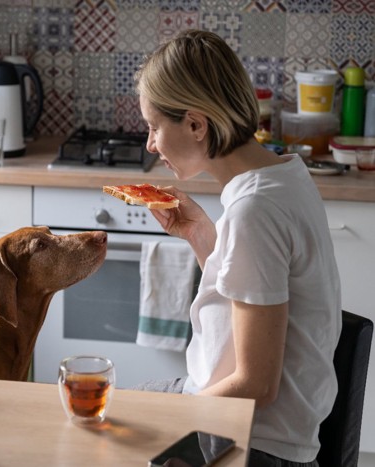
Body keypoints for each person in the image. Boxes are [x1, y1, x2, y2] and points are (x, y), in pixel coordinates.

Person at [133, 29, 342, 466]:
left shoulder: (254, 210)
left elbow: (255, 385)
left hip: (253, 442)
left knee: (93, 440)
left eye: (154, 127)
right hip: (244, 417)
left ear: (195, 124)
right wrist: (202, 237)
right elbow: (253, 295)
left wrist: (174, 422)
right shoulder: (285, 176)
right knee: (113, 412)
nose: (151, 144)